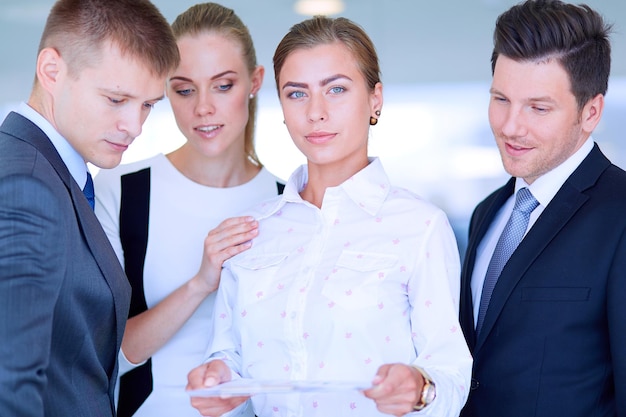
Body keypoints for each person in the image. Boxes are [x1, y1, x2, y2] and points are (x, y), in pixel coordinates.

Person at [187, 15, 472, 417]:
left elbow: (452, 374)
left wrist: (420, 388)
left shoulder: (419, 226)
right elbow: (229, 356)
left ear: (375, 99)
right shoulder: (253, 230)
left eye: (336, 89)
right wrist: (217, 379)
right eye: (297, 94)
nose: (316, 112)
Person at [94, 3, 284, 417]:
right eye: (184, 89)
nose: (203, 108)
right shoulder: (121, 192)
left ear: (254, 82)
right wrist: (201, 282)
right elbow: (108, 354)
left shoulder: (290, 202)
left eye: (223, 85)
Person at [0, 0, 179, 416]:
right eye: (117, 99)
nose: (135, 126)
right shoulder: (24, 185)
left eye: (148, 105)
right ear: (51, 71)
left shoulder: (53, 175)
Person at [458, 1, 626, 416]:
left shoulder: (621, 214)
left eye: (538, 107)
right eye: (501, 99)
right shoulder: (487, 213)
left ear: (591, 112)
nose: (511, 126)